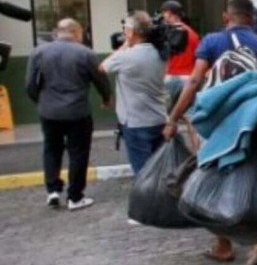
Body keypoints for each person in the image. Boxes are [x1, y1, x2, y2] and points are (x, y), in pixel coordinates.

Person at [165, 0, 257, 265]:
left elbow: (194, 81)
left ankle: (223, 245)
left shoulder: (213, 42)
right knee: (253, 175)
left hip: (217, 124)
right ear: (251, 20)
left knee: (212, 180)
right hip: (253, 123)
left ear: (226, 18)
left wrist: (174, 116)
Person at [25, 18, 112, 211]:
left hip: (48, 111)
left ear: (57, 32)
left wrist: (40, 101)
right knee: (78, 153)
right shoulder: (85, 53)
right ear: (77, 32)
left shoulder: (38, 52)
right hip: (77, 111)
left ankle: (52, 190)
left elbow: (30, 84)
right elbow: (100, 79)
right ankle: (75, 197)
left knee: (51, 149)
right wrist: (106, 97)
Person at [99, 11, 168, 177]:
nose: (123, 32)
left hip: (136, 122)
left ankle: (148, 202)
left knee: (143, 174)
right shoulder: (160, 53)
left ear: (131, 32)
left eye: (125, 29)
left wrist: (125, 45)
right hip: (159, 118)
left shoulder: (126, 57)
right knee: (158, 170)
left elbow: (102, 67)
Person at [159, 0, 201, 109]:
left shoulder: (166, 33)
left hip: (171, 77)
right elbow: (198, 57)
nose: (163, 16)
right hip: (189, 78)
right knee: (189, 114)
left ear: (169, 13)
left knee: (164, 115)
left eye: (163, 13)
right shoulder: (193, 34)